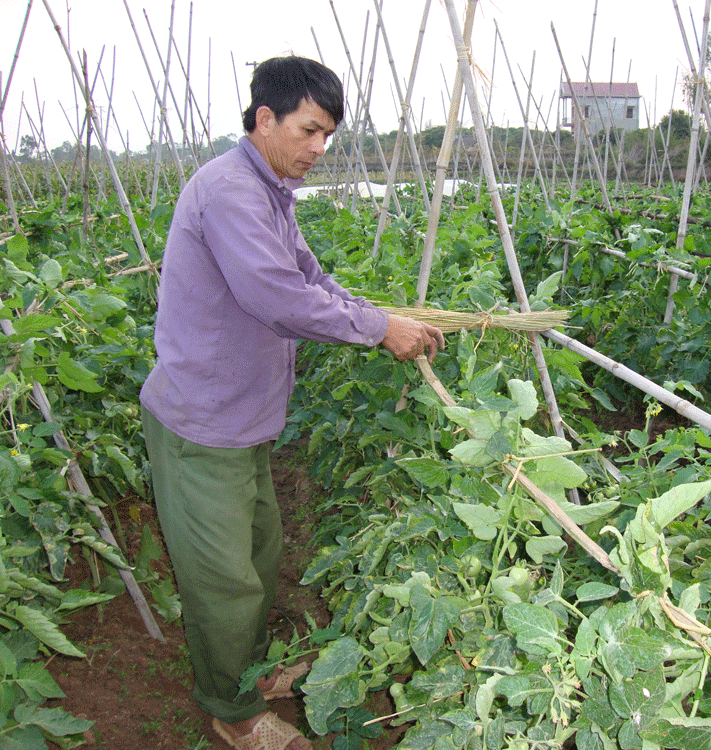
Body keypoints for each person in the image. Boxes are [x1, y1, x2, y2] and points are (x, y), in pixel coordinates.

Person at [139, 55, 444, 750]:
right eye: (309, 131)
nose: (318, 150)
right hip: (200, 425)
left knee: (258, 551)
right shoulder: (230, 193)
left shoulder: (270, 191)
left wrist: (374, 313)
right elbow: (276, 295)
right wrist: (378, 330)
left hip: (242, 421)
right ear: (264, 118)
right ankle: (233, 710)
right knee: (225, 582)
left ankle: (254, 670)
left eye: (328, 137)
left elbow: (309, 275)